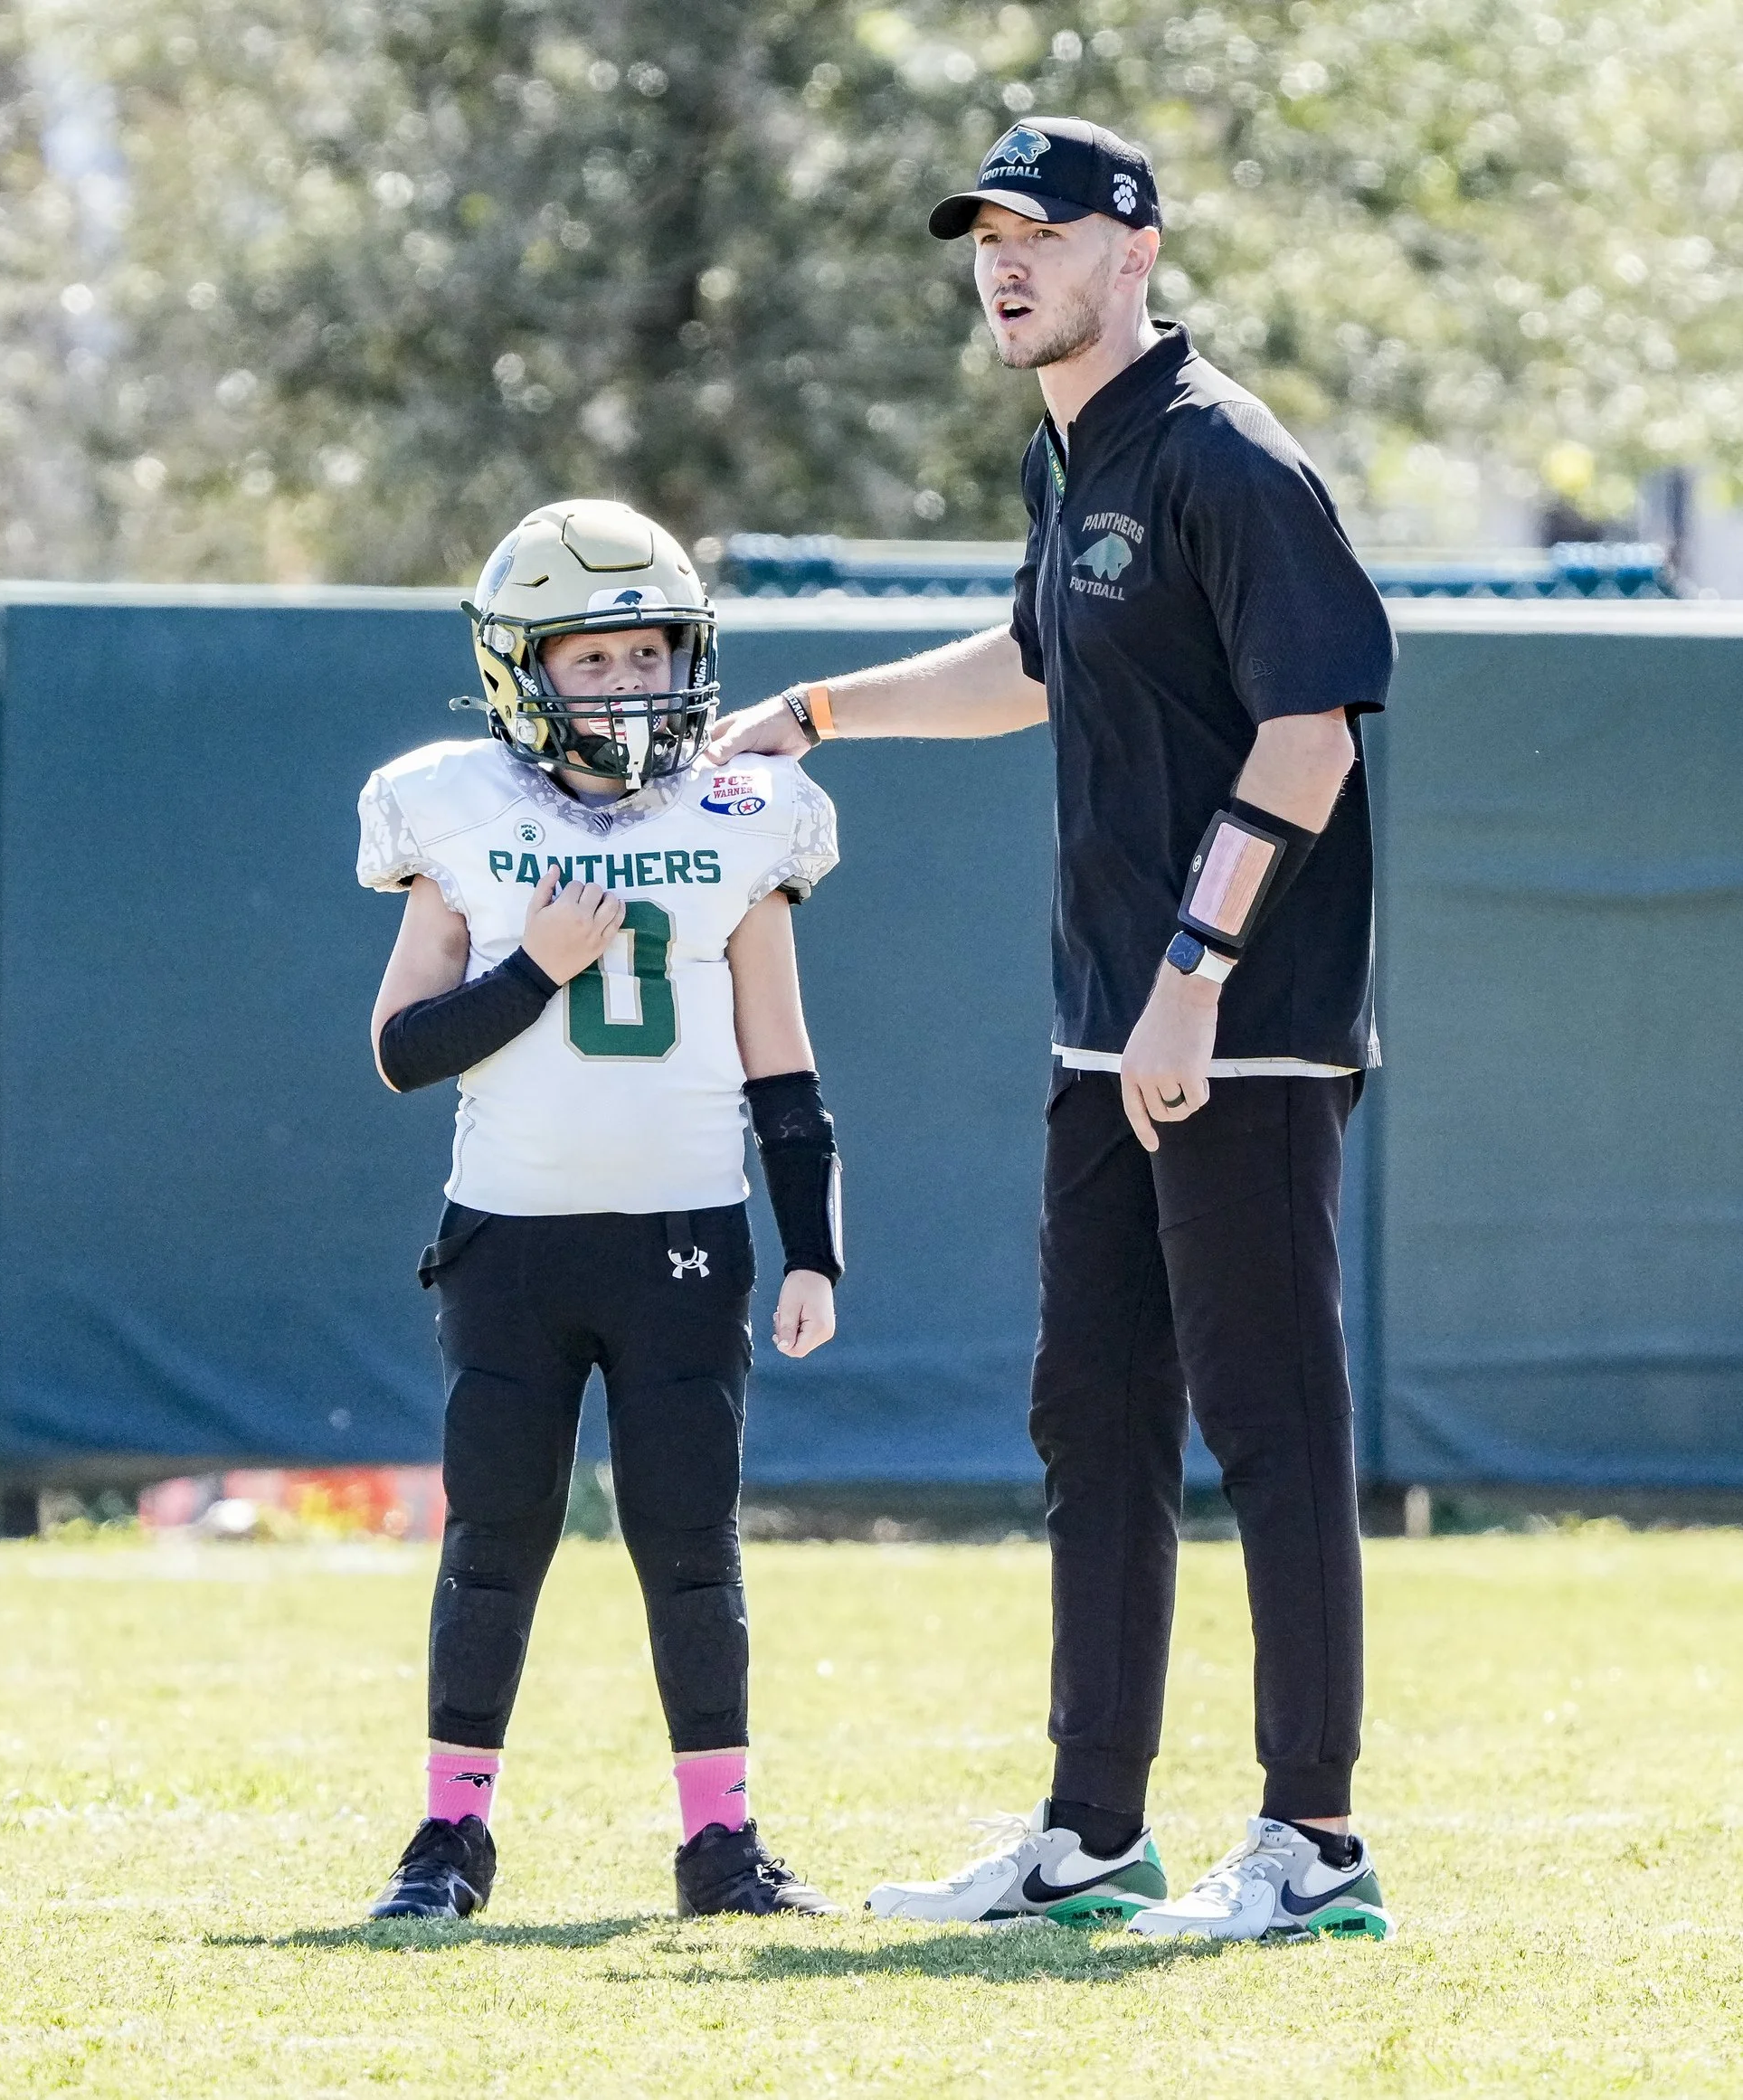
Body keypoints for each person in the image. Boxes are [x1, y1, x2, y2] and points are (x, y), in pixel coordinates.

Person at [709, 119, 1395, 1941]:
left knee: (1268, 1429)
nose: (1001, 262)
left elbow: (1310, 729)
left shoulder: (1223, 456)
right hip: (1109, 1032)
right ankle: (1089, 1833)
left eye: (1040, 231)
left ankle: (1313, 1845)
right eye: (982, 236)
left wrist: (1190, 976)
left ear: (1135, 250)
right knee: (1090, 1421)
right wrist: (817, 709)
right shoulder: (1067, 459)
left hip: (1228, 1031)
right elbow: (1027, 667)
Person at [355, 497, 846, 1922]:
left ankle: (722, 1839)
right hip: (508, 1239)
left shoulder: (745, 813)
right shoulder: (460, 809)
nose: (632, 687)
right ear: (526, 671)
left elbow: (783, 1058)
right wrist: (534, 972)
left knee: (693, 1539)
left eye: (651, 656)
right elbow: (398, 1046)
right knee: (493, 1536)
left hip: (687, 1239)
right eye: (596, 660)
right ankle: (449, 1837)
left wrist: (812, 1241)